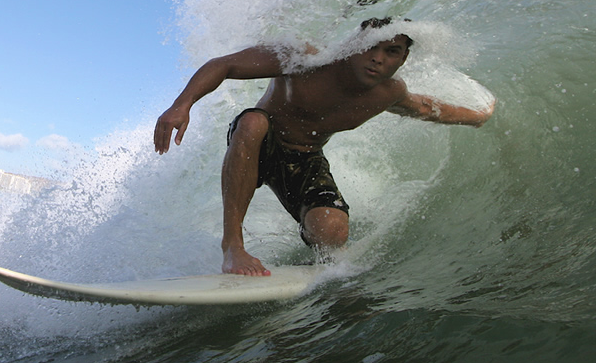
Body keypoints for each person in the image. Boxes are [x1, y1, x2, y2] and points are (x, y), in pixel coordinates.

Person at [154, 18, 495, 276]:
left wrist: (477, 117)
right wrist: (182, 105)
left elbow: (425, 107)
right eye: (370, 47)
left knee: (332, 234)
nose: (377, 59)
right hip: (260, 142)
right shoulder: (305, 59)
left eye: (391, 52)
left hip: (305, 160)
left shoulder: (388, 93)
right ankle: (233, 247)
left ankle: (307, 256)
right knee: (254, 121)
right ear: (354, 43)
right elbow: (224, 65)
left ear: (402, 60)